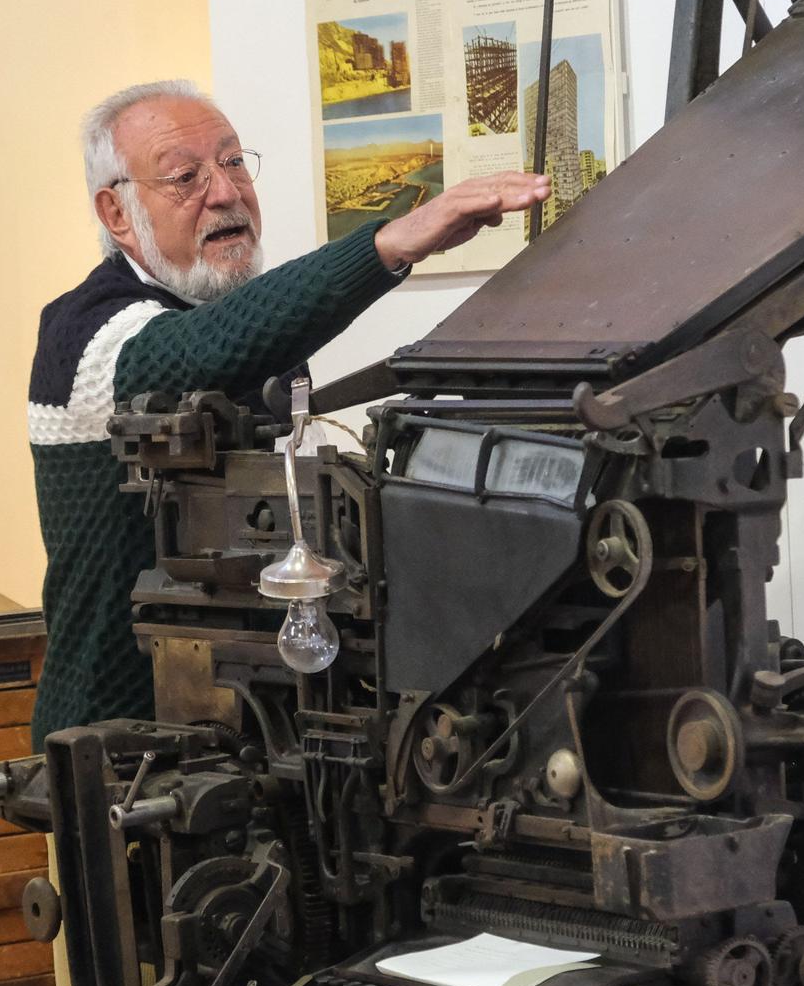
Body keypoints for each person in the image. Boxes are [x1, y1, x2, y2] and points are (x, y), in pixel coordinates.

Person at [27, 79, 548, 747]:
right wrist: (389, 245)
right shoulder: (87, 337)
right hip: (112, 750)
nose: (225, 193)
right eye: (186, 177)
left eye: (235, 163)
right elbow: (201, 351)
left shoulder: (250, 339)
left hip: (247, 731)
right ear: (117, 213)